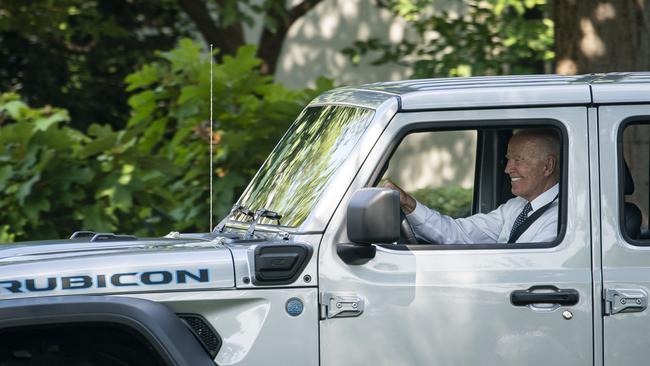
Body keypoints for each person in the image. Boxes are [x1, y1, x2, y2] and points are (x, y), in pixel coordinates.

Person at [385, 128, 560, 244]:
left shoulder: (562, 218)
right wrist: (408, 203)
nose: (507, 169)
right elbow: (458, 234)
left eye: (518, 160)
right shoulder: (515, 207)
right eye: (508, 160)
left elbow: (530, 269)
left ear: (547, 166)